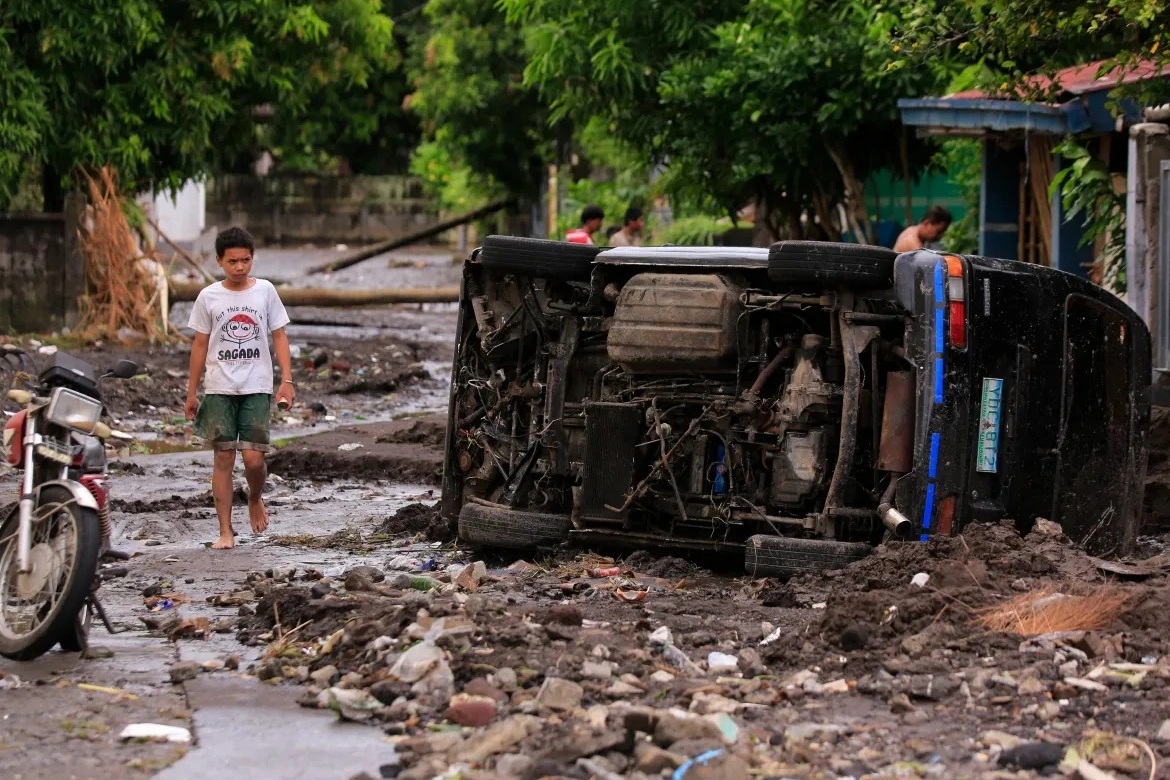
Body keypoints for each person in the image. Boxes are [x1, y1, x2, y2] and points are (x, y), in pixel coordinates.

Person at [184, 226, 294, 550]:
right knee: (223, 457)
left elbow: (279, 336)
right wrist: (192, 392)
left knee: (254, 459)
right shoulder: (209, 297)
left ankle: (255, 497)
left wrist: (287, 379)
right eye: (233, 261)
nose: (240, 267)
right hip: (219, 386)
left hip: (256, 383)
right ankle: (225, 531)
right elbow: (200, 345)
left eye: (245, 260)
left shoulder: (265, 292)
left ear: (252, 259)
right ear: (219, 261)